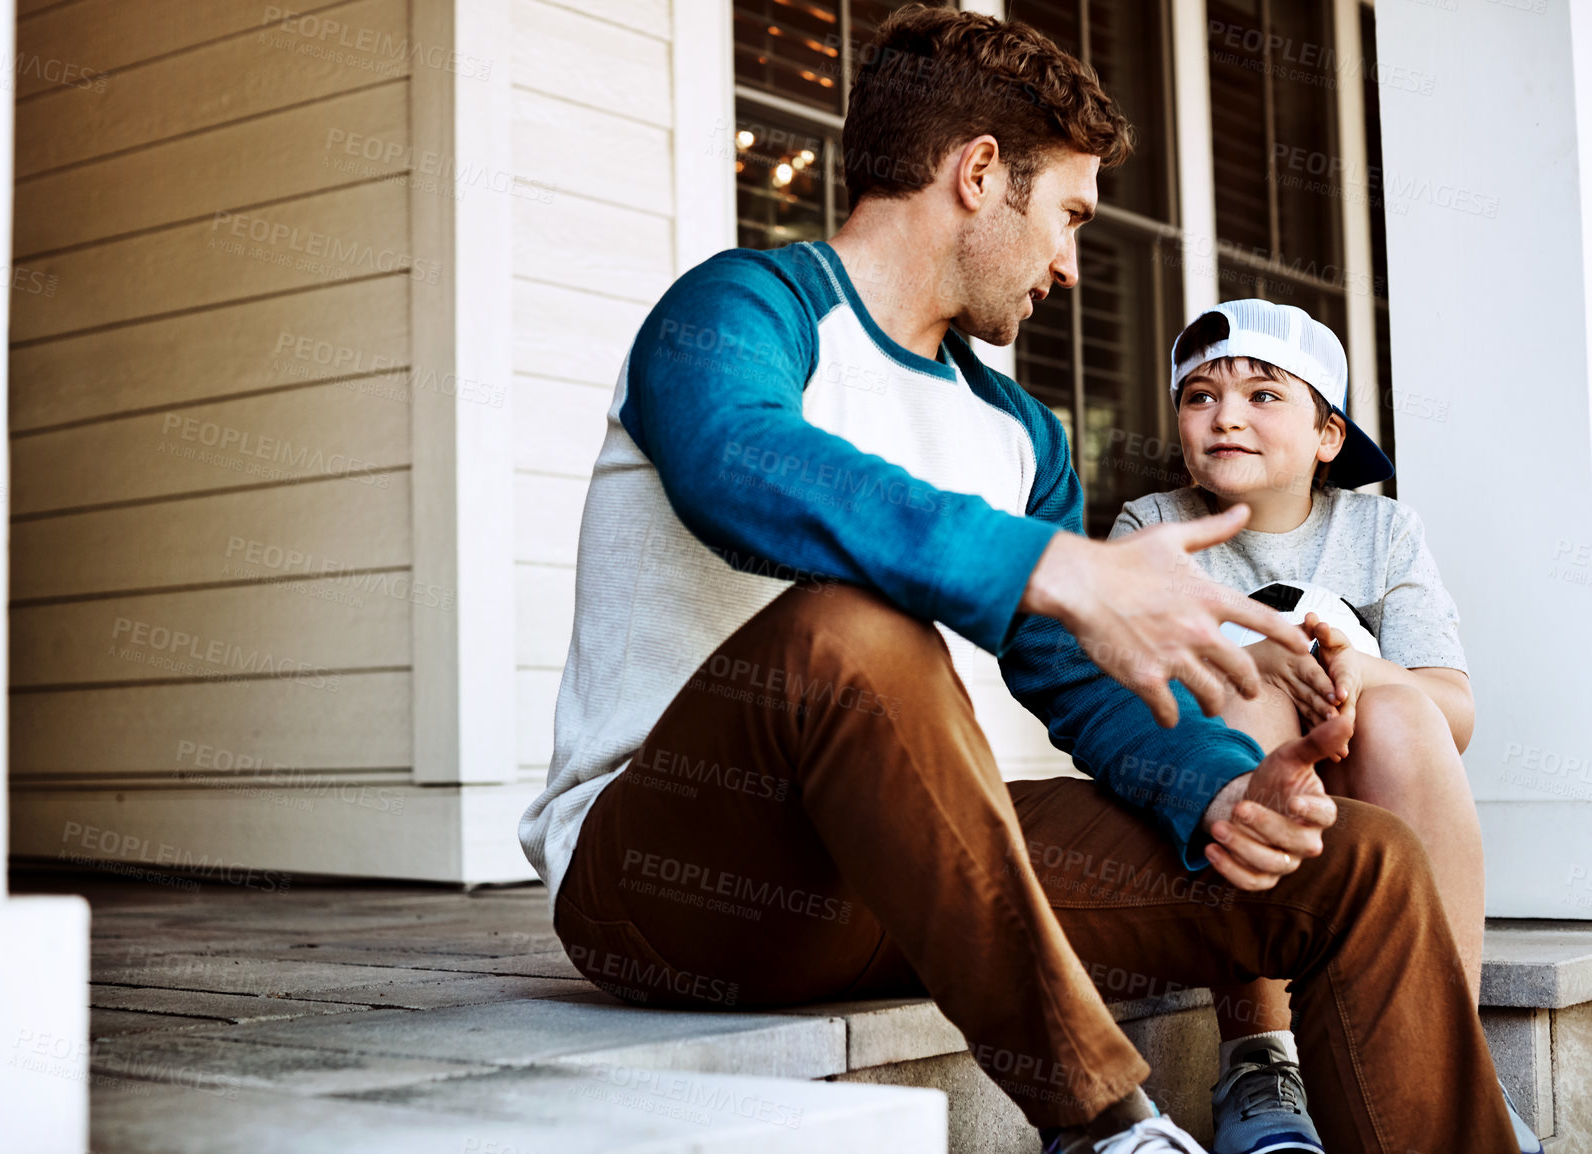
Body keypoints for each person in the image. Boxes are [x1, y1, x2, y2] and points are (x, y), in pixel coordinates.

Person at [519, 8, 1518, 1152]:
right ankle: (1106, 1123)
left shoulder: (1020, 433)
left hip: (920, 868)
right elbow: (730, 461)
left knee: (1358, 862)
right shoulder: (748, 308)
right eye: (1068, 218)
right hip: (674, 878)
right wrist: (1052, 564)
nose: (1072, 265)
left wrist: (1214, 791)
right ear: (980, 174)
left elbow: (1081, 686)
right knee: (855, 628)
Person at [1109, 298, 1539, 1154]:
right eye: (1199, 396)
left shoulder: (1381, 530)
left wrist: (1350, 665)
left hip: (1371, 785)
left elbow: (1453, 710)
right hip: (1222, 801)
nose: (1226, 414)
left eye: (1264, 394)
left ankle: (1446, 1058)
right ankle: (1260, 1058)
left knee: (1405, 716)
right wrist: (1262, 666)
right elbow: (1128, 698)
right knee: (1250, 697)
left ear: (1328, 436)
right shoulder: (1153, 527)